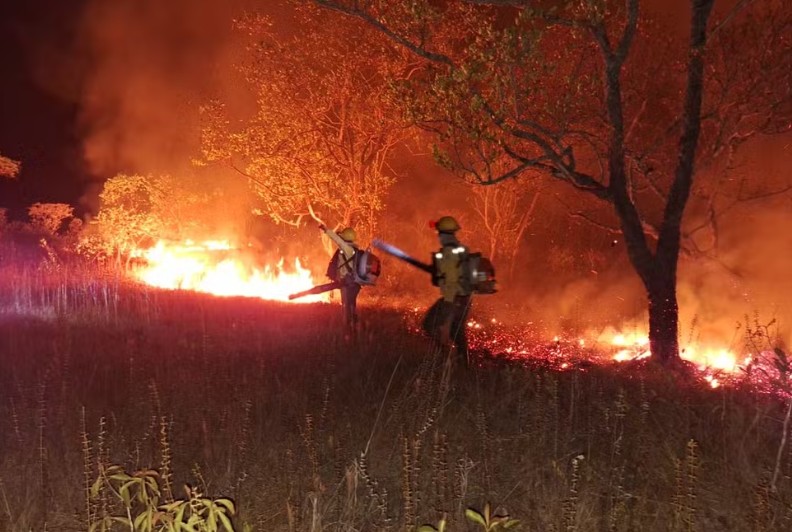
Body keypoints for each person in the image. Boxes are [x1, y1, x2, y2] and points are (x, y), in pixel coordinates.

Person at [422, 215, 472, 362]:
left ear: (442, 233)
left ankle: (444, 355)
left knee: (428, 324)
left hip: (452, 298)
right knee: (457, 333)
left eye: (438, 232)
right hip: (465, 298)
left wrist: (448, 302)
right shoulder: (462, 249)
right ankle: (464, 364)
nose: (438, 236)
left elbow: (447, 279)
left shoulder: (448, 252)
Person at [320, 223, 362, 332]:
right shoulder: (354, 250)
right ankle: (354, 325)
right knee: (351, 304)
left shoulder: (347, 248)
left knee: (346, 306)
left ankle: (347, 330)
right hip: (354, 283)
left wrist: (326, 229)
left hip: (348, 283)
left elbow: (336, 239)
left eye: (343, 236)